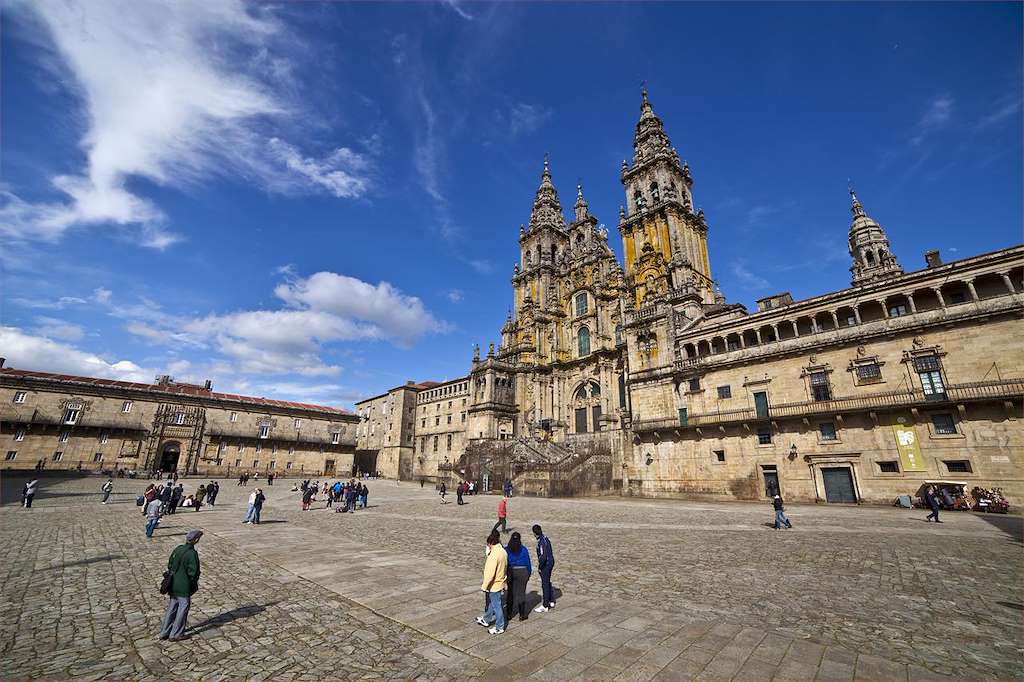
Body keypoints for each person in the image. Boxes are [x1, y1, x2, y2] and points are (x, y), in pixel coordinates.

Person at [159, 529, 202, 641]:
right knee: (183, 608)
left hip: (173, 584)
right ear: (196, 540)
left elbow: (170, 564)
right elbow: (194, 572)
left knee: (172, 608)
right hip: (183, 585)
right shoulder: (192, 554)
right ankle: (176, 633)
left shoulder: (178, 548)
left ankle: (164, 632)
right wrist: (192, 583)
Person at [475, 531, 507, 635]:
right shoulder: (503, 551)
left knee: (497, 606)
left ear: (490, 543)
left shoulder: (494, 555)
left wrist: (484, 586)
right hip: (500, 581)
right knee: (492, 604)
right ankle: (486, 619)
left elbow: (490, 573)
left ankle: (499, 626)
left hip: (494, 584)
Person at [504, 532, 532, 622]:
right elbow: (528, 563)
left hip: (511, 571)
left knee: (510, 593)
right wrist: (528, 574)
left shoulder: (507, 549)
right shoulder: (524, 549)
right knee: (521, 593)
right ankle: (522, 614)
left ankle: (509, 614)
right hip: (522, 571)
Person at [533, 524, 556, 612]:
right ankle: (551, 600)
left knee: (545, 583)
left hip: (546, 564)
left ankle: (545, 605)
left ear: (535, 533)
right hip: (551, 561)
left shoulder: (541, 542)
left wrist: (540, 567)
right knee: (548, 581)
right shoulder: (545, 538)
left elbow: (543, 556)